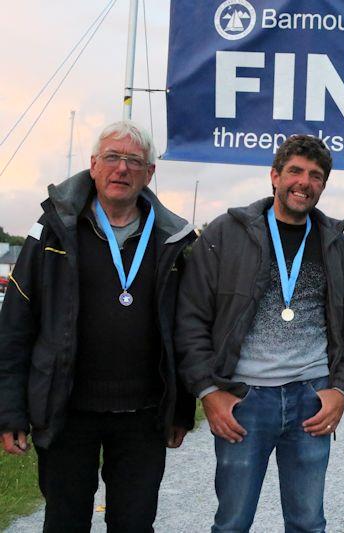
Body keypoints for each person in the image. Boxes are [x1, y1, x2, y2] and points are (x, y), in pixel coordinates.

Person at [0, 120, 197, 531]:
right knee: (65, 522)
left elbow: (184, 331)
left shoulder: (173, 240)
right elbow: (16, 326)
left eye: (133, 161)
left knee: (135, 524)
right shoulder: (53, 231)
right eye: (112, 158)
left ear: (149, 174)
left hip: (142, 416)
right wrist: (11, 413)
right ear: (93, 165)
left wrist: (180, 408)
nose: (121, 169)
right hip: (66, 410)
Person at [175, 134, 344, 532]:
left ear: (323, 185)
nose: (304, 182)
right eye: (295, 171)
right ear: (274, 176)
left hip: (310, 398)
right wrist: (208, 392)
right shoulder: (225, 234)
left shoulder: (337, 246)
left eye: (315, 176)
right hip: (244, 400)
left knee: (307, 522)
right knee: (232, 522)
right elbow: (190, 318)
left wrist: (342, 391)